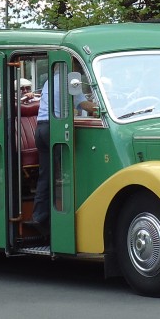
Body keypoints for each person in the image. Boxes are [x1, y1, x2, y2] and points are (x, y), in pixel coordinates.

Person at [31, 68, 97, 242]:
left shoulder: (50, 80)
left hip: (41, 129)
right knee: (67, 175)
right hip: (55, 130)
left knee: (47, 176)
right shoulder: (72, 80)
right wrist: (101, 108)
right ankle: (65, 218)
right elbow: (84, 105)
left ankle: (40, 216)